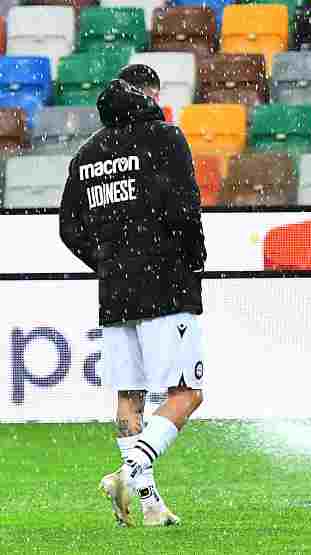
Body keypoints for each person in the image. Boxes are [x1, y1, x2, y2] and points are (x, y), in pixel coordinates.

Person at [59, 65, 207, 527]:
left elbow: (68, 228)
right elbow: (185, 207)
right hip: (165, 284)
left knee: (129, 396)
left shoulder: (87, 154)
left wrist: (106, 262)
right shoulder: (165, 138)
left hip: (115, 291)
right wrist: (192, 257)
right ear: (149, 96)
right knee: (187, 393)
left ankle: (150, 505)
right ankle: (129, 472)